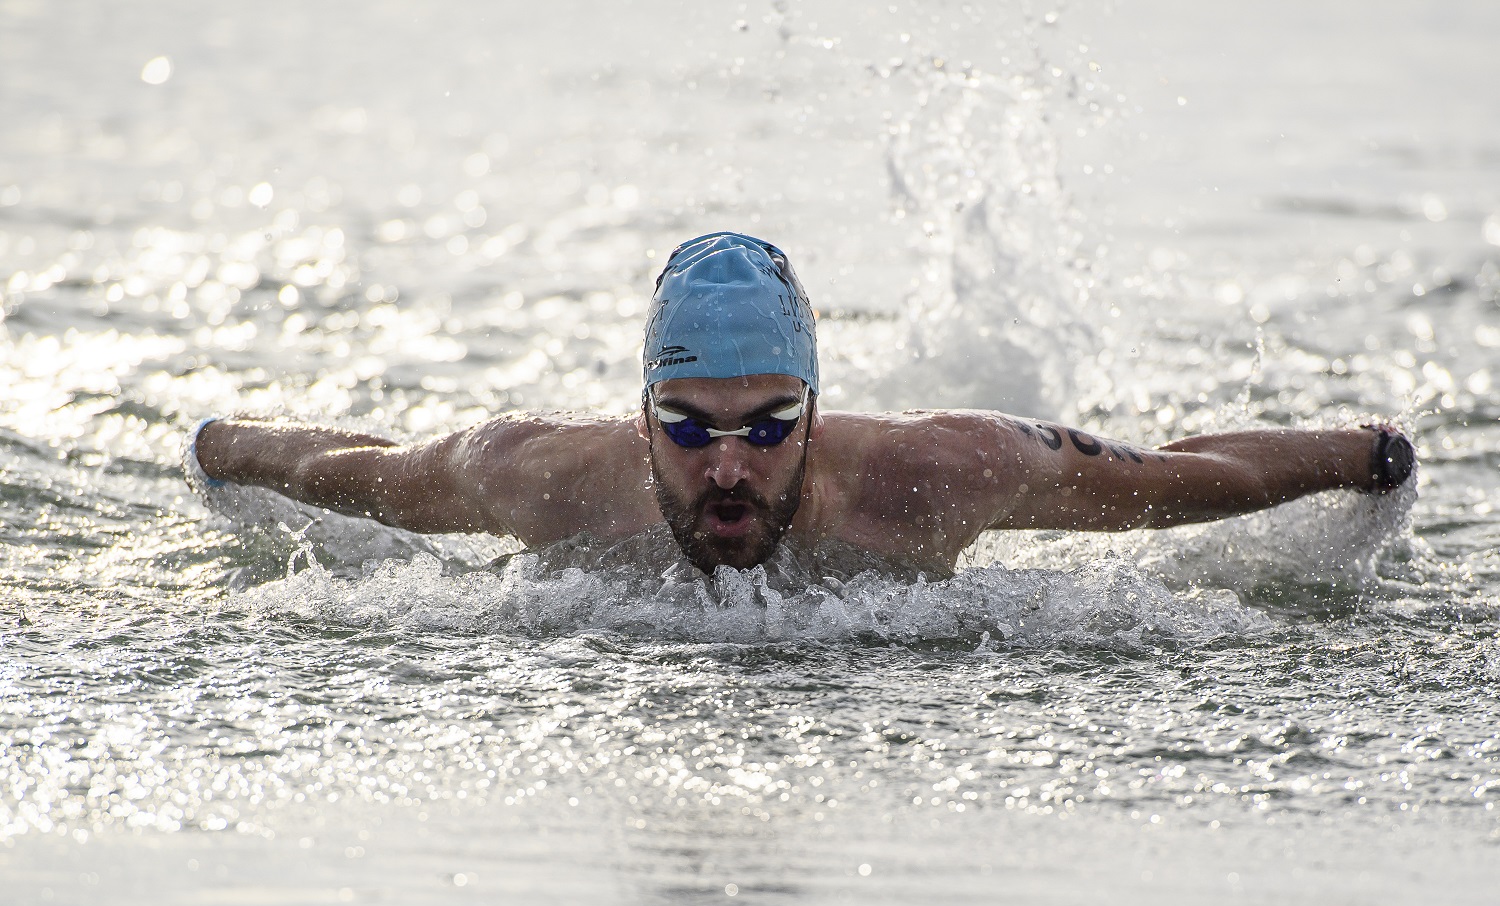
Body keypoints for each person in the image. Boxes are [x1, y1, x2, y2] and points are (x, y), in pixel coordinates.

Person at [187, 231, 1415, 576]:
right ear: (641, 416)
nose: (730, 467)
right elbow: (367, 470)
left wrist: (1363, 453)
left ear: (817, 415)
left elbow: (1187, 476)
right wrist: (228, 446)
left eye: (769, 424)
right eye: (692, 428)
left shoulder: (941, 474)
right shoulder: (542, 476)